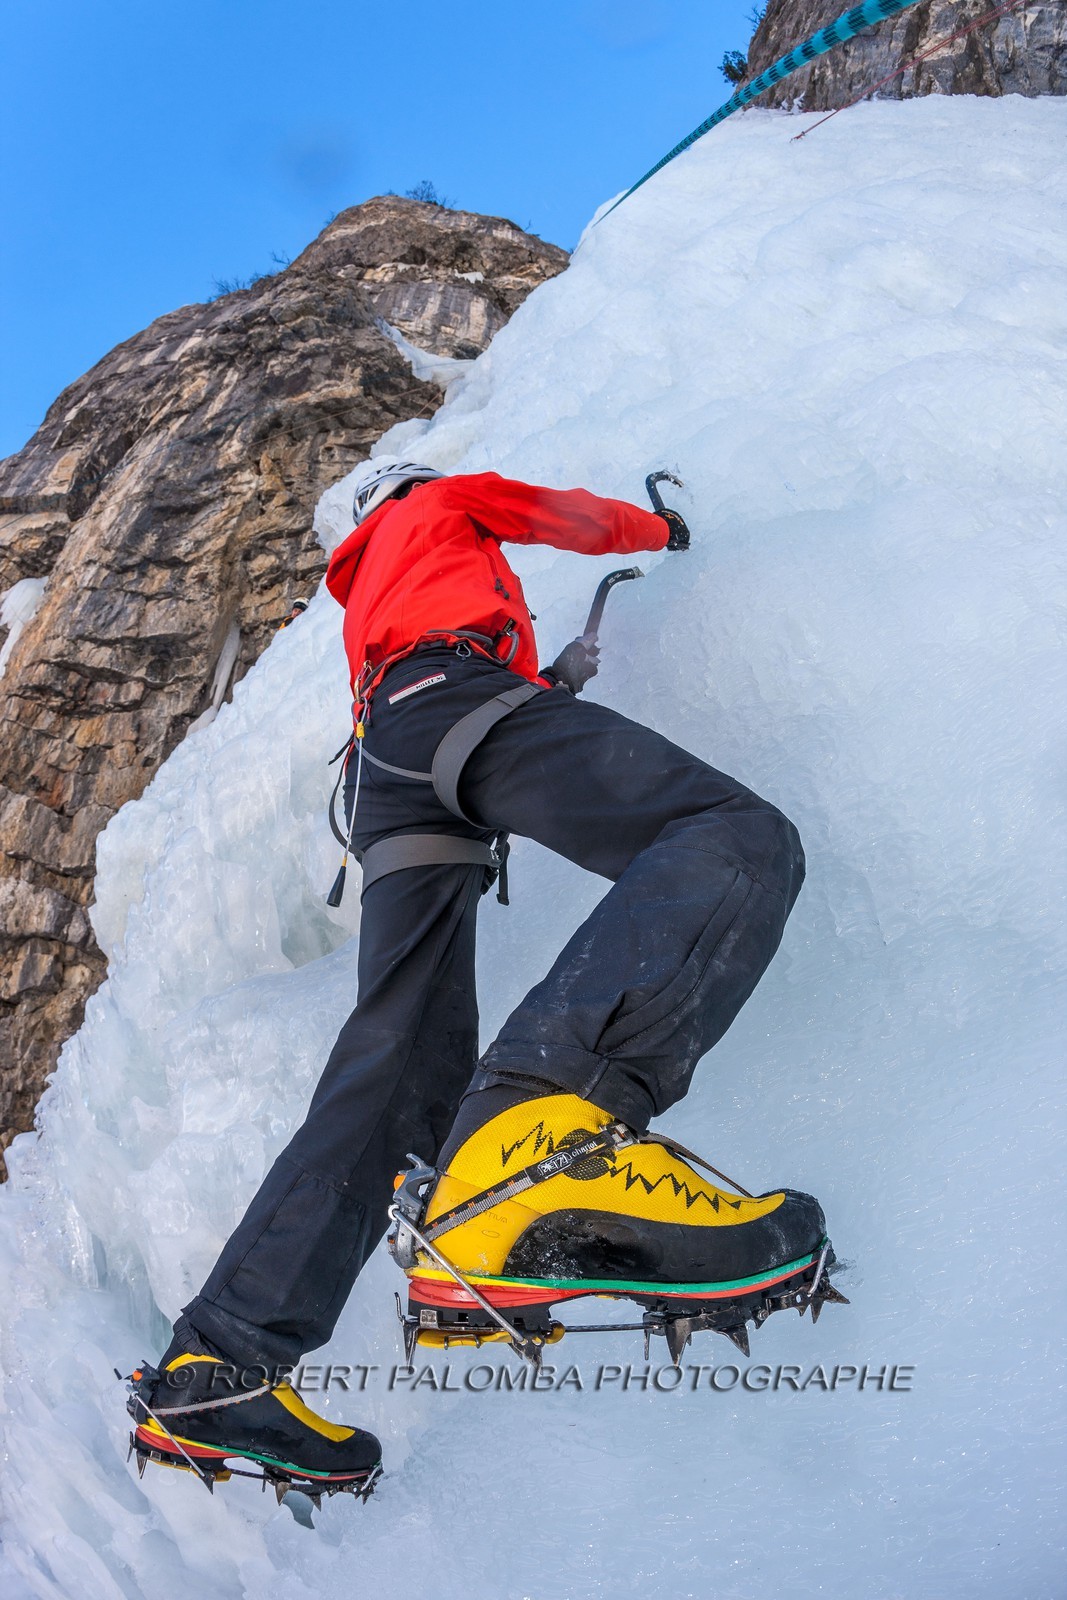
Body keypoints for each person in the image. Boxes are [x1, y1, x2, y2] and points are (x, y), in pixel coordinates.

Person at [127, 462, 825, 1498]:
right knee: (732, 835)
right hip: (459, 705)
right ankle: (543, 1135)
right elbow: (551, 513)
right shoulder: (436, 502)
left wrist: (537, 686)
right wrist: (656, 527)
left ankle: (215, 1364)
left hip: (389, 770)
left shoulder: (364, 579)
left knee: (404, 1067)